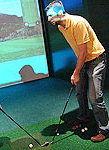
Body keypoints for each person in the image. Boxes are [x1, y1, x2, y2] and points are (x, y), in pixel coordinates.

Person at [45, 1, 109, 142]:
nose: (49, 19)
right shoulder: (61, 27)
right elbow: (80, 52)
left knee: (95, 98)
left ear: (60, 13)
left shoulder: (78, 23)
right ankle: (84, 116)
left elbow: (84, 52)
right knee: (79, 91)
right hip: (84, 60)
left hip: (96, 60)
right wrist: (78, 71)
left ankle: (105, 129)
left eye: (51, 16)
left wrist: (76, 72)